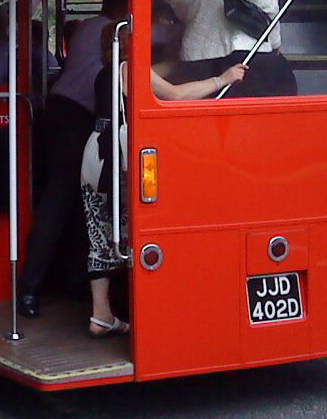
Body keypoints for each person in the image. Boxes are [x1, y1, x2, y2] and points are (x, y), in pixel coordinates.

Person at [82, 26, 244, 336]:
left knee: (100, 230)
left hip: (94, 149)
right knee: (134, 230)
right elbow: (175, 94)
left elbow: (159, 72)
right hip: (118, 153)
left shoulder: (107, 70)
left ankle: (100, 313)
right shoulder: (130, 69)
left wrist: (181, 58)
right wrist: (223, 79)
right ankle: (148, 313)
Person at [16, 0, 127, 318]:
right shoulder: (113, 30)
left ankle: (68, 280)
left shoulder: (87, 28)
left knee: (78, 200)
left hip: (60, 109)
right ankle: (30, 287)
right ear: (123, 7)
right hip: (76, 116)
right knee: (62, 198)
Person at [166, 0, 296, 97]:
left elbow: (179, 9)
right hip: (242, 57)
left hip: (195, 56)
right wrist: (275, 42)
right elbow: (269, 5)